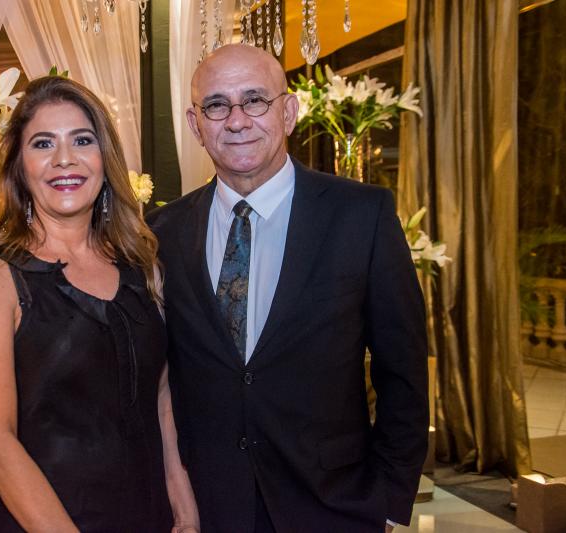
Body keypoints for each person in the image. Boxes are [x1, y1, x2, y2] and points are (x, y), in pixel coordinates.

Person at [146, 44, 429, 532]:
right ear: (196, 125)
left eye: (255, 100)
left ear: (289, 112)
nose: (237, 121)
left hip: (332, 505)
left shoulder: (362, 216)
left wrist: (387, 499)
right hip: (206, 507)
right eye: (217, 105)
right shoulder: (160, 233)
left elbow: (403, 371)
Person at [0, 76, 199, 532]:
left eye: (82, 140)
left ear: (105, 158)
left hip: (147, 516)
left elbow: (159, 401)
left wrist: (185, 511)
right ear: (19, 165)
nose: (64, 158)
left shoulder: (142, 263)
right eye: (43, 143)